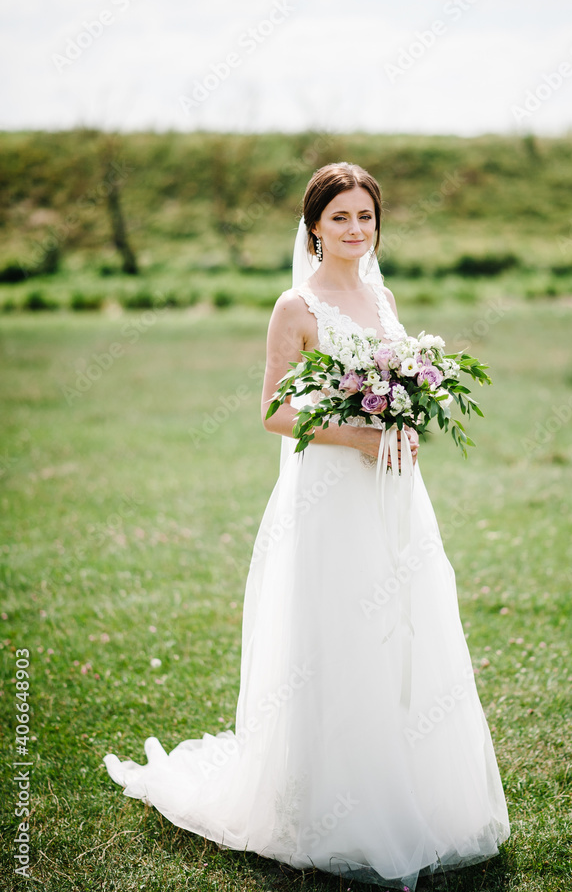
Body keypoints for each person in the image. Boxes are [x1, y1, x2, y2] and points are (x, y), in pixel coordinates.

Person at [104, 162, 510, 890]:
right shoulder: (296, 305)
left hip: (392, 489)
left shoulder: (381, 294)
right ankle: (328, 803)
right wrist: (357, 436)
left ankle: (407, 784)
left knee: (400, 623)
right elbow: (272, 413)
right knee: (336, 633)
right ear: (314, 227)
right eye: (340, 218)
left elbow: (395, 382)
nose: (356, 230)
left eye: (366, 217)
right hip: (328, 492)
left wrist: (406, 416)